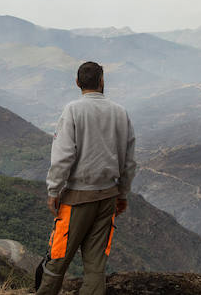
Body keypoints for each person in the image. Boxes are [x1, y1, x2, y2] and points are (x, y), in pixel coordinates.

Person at [36, 61, 137, 295]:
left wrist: (53, 191)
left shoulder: (73, 110)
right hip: (108, 197)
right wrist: (122, 194)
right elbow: (129, 161)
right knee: (95, 263)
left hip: (77, 198)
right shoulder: (120, 113)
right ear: (102, 81)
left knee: (59, 259)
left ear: (77, 83)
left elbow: (63, 156)